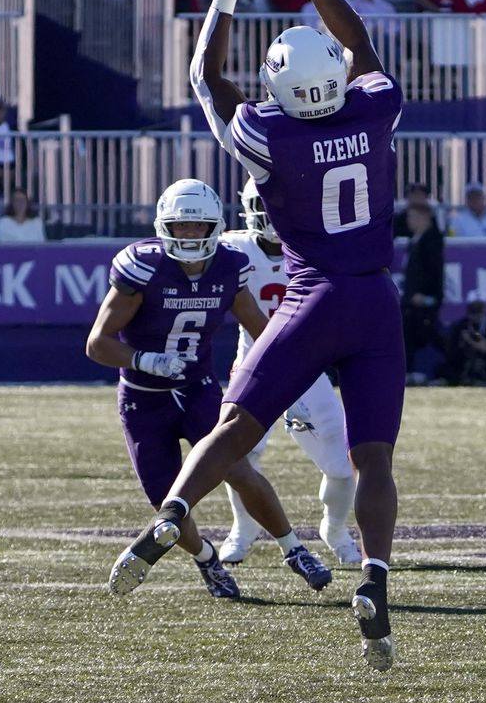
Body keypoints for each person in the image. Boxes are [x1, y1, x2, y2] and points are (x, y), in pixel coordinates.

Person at [107, 0, 407, 672]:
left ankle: (173, 512)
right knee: (373, 459)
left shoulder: (269, 134)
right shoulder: (373, 110)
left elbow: (205, 77)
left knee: (236, 424)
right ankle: (372, 574)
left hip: (310, 296)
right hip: (375, 300)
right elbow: (360, 46)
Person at [86, 179, 333, 601]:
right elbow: (97, 344)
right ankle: (206, 559)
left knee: (236, 468)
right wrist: (145, 359)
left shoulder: (229, 267)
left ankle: (293, 549)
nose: (188, 235)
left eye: (197, 226)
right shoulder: (143, 267)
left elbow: (261, 331)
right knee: (167, 501)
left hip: (198, 387)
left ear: (213, 227)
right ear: (164, 227)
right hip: (143, 397)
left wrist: (289, 383)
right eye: (180, 227)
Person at [216, 179, 362, 566]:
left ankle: (334, 528)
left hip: (307, 367)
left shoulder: (317, 245)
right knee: (239, 454)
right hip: (254, 367)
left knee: (344, 462)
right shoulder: (233, 248)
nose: (273, 216)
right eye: (265, 206)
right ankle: (242, 528)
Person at [401, 200, 445, 384]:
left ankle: (456, 363)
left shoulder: (432, 239)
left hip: (424, 300)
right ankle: (407, 371)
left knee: (430, 334)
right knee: (408, 334)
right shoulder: (416, 240)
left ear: (424, 217)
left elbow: (434, 272)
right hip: (412, 300)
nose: (408, 221)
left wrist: (427, 297)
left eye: (412, 216)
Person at [439, 299, 486, 385]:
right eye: (473, 314)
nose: (475, 317)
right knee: (443, 369)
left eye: (478, 313)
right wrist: (464, 345)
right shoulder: (461, 326)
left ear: (484, 310)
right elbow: (451, 353)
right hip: (464, 363)